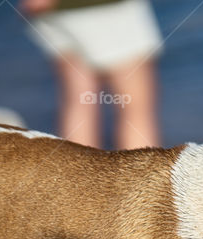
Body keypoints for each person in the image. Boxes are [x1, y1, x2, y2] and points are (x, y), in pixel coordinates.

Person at [22, 0, 162, 149]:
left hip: (53, 12)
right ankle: (141, 172)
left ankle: (76, 172)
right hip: (104, 9)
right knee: (135, 109)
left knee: (80, 101)